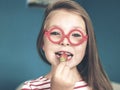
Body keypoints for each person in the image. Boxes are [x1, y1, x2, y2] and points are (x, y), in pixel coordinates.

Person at [19, 0, 113, 90]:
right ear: (42, 42)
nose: (65, 41)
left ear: (87, 46)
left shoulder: (99, 87)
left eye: (76, 34)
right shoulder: (30, 87)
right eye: (55, 33)